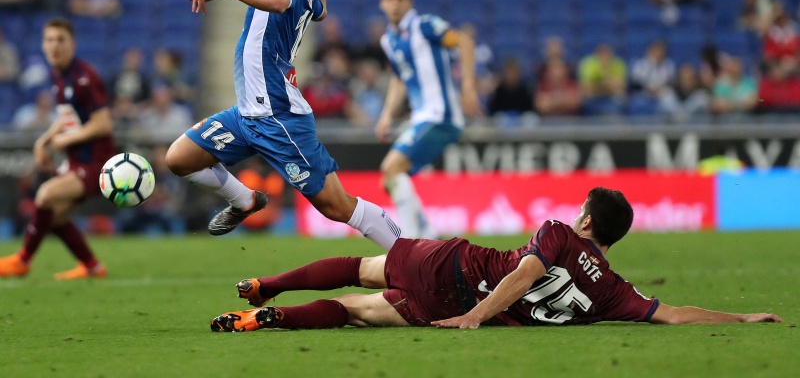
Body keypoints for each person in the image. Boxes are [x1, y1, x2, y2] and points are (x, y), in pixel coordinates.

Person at [209, 187, 782, 332]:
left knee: (362, 269)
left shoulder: (558, 234)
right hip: (446, 305)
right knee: (357, 310)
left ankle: (268, 285)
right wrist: (741, 317)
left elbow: (527, 272)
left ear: (587, 222)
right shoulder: (612, 291)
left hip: (454, 269)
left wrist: (474, 317)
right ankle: (269, 318)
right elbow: (675, 314)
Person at [164, 0, 402, 250]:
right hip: (247, 114)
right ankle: (245, 201)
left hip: (278, 117)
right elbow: (321, 10)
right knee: (180, 159)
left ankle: (413, 255)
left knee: (337, 206)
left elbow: (279, 1)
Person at [0, 18, 115, 279]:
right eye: (49, 40)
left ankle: (22, 260)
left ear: (72, 44)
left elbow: (103, 124)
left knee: (45, 195)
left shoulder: (84, 78)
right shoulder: (59, 76)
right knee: (56, 217)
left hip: (96, 163)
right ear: (43, 45)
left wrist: (67, 139)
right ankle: (92, 267)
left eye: (60, 40)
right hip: (78, 160)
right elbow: (68, 116)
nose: (54, 45)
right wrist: (44, 140)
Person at [374, 0, 479, 239]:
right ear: (382, 4)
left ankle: (410, 241)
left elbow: (464, 41)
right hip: (422, 118)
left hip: (441, 115)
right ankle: (429, 236)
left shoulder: (425, 25)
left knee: (391, 168)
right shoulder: (389, 40)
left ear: (410, 2)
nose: (395, 4)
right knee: (390, 178)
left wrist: (467, 85)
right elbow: (400, 79)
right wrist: (386, 114)